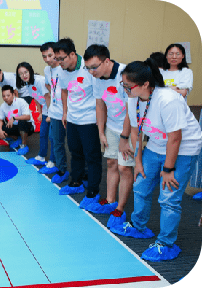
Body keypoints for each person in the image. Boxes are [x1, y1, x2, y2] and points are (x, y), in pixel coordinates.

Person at [110, 58, 202, 262]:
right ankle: (137, 226)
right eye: (122, 84)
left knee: (169, 197)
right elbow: (136, 132)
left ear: (145, 85)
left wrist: (168, 169)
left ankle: (166, 243)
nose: (124, 88)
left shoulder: (168, 100)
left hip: (184, 147)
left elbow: (175, 138)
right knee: (141, 185)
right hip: (157, 144)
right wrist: (139, 163)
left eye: (128, 85)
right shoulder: (133, 98)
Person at [82, 45, 135, 224]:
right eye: (87, 68)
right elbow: (100, 105)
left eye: (94, 67)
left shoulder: (125, 74)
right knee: (111, 162)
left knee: (124, 168)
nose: (91, 72)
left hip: (130, 129)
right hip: (111, 126)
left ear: (107, 61)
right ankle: (110, 200)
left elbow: (131, 110)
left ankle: (120, 208)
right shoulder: (96, 77)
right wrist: (101, 132)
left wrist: (125, 137)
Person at [54, 38, 102, 198]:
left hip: (89, 120)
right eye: (57, 59)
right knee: (75, 152)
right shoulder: (61, 70)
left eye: (62, 58)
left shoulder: (88, 68)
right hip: (72, 119)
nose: (59, 62)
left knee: (92, 156)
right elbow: (64, 91)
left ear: (72, 54)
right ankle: (76, 182)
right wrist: (65, 112)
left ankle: (93, 190)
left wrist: (100, 120)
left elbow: (99, 96)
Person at [38, 42, 69, 183]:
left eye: (50, 55)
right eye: (44, 56)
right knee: (56, 142)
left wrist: (65, 111)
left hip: (68, 112)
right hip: (55, 112)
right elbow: (48, 86)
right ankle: (62, 170)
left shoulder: (64, 68)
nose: (48, 59)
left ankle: (82, 176)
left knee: (75, 146)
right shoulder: (47, 70)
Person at [16, 62, 54, 169]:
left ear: (30, 71)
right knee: (43, 134)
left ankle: (52, 161)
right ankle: (41, 157)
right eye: (21, 74)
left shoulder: (39, 81)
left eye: (26, 72)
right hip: (46, 110)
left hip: (54, 110)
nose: (24, 75)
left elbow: (48, 96)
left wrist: (50, 114)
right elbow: (36, 98)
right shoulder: (28, 84)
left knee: (52, 137)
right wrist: (41, 113)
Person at [0, 85, 35, 155]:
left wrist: (14, 118)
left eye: (8, 95)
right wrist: (0, 131)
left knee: (22, 121)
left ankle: (24, 145)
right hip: (15, 126)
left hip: (28, 126)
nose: (6, 98)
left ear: (13, 95)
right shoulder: (3, 106)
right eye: (3, 96)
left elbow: (27, 117)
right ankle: (16, 138)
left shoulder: (21, 101)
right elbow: (0, 120)